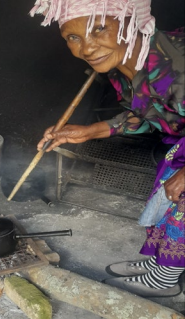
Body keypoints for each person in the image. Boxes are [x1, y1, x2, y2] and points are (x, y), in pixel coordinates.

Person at [29, 0, 185, 297]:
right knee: (167, 195)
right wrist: (88, 131)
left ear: (130, 24)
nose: (86, 49)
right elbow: (146, 113)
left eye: (99, 29)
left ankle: (166, 279)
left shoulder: (177, 64)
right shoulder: (122, 67)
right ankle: (159, 262)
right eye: (73, 38)